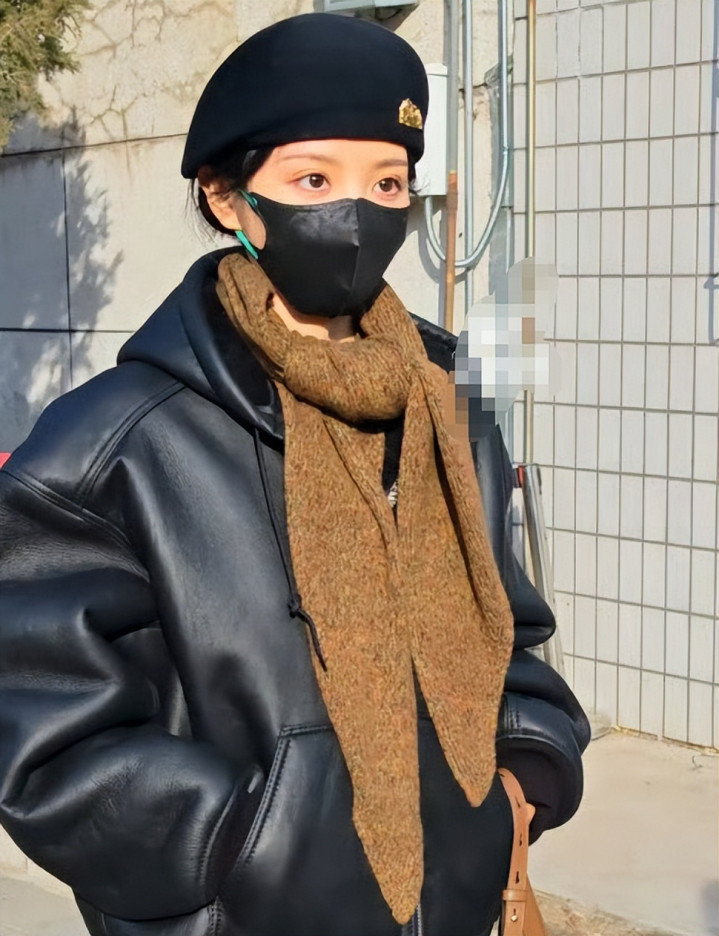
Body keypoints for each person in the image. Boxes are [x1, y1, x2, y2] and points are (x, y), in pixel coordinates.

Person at [0, 13, 589, 936]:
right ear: (226, 198)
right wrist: (241, 839)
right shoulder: (119, 440)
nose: (357, 215)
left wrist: (523, 769)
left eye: (386, 182)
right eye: (313, 180)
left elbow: (504, 626)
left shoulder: (445, 408)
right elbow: (41, 722)